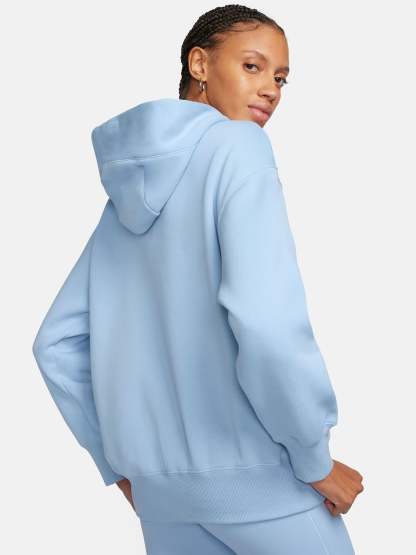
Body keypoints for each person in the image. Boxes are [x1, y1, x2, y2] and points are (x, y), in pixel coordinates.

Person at [32, 4, 364, 554]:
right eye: (253, 66)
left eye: (281, 78)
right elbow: (266, 323)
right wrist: (315, 461)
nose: (271, 89)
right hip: (265, 489)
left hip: (165, 505)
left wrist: (125, 469)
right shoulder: (239, 146)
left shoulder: (121, 207)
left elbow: (56, 343)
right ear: (200, 64)